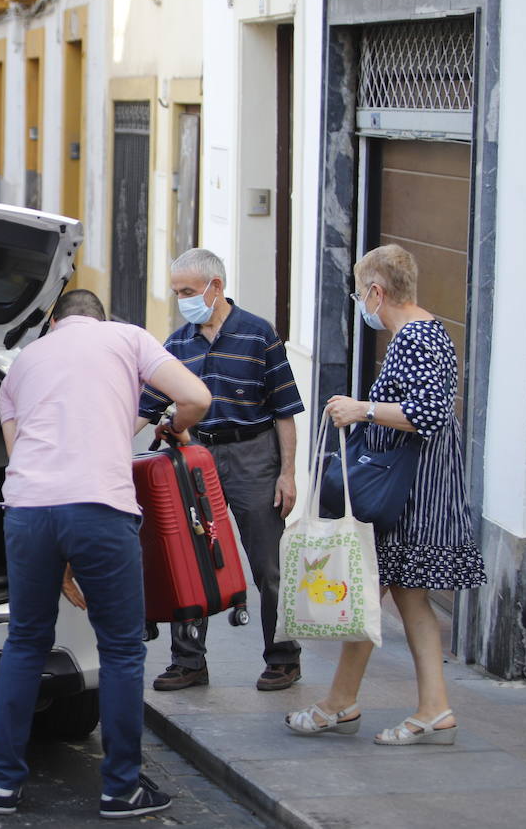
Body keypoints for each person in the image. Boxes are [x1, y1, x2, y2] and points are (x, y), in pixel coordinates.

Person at [0, 290, 211, 819]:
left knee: (24, 642)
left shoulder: (21, 364)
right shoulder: (127, 338)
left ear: (55, 323)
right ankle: (120, 789)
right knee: (120, 650)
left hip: (28, 511)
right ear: (100, 320)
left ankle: (3, 787)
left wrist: (60, 553)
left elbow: (20, 454)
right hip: (100, 508)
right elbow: (198, 397)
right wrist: (174, 427)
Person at [286, 244, 486, 745]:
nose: (360, 303)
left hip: (409, 495)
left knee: (368, 591)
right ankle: (428, 708)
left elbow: (429, 412)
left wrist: (362, 410)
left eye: (359, 293)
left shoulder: (415, 337)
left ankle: (342, 703)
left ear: (377, 291)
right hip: (415, 489)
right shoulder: (427, 331)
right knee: (401, 597)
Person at [138, 248, 306, 692]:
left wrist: (288, 474)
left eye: (188, 291)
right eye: (176, 292)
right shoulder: (176, 345)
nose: (182, 300)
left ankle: (283, 657)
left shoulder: (258, 335)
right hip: (195, 460)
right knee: (187, 559)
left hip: (254, 455)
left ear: (216, 287)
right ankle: (189, 662)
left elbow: (285, 411)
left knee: (267, 564)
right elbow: (147, 407)